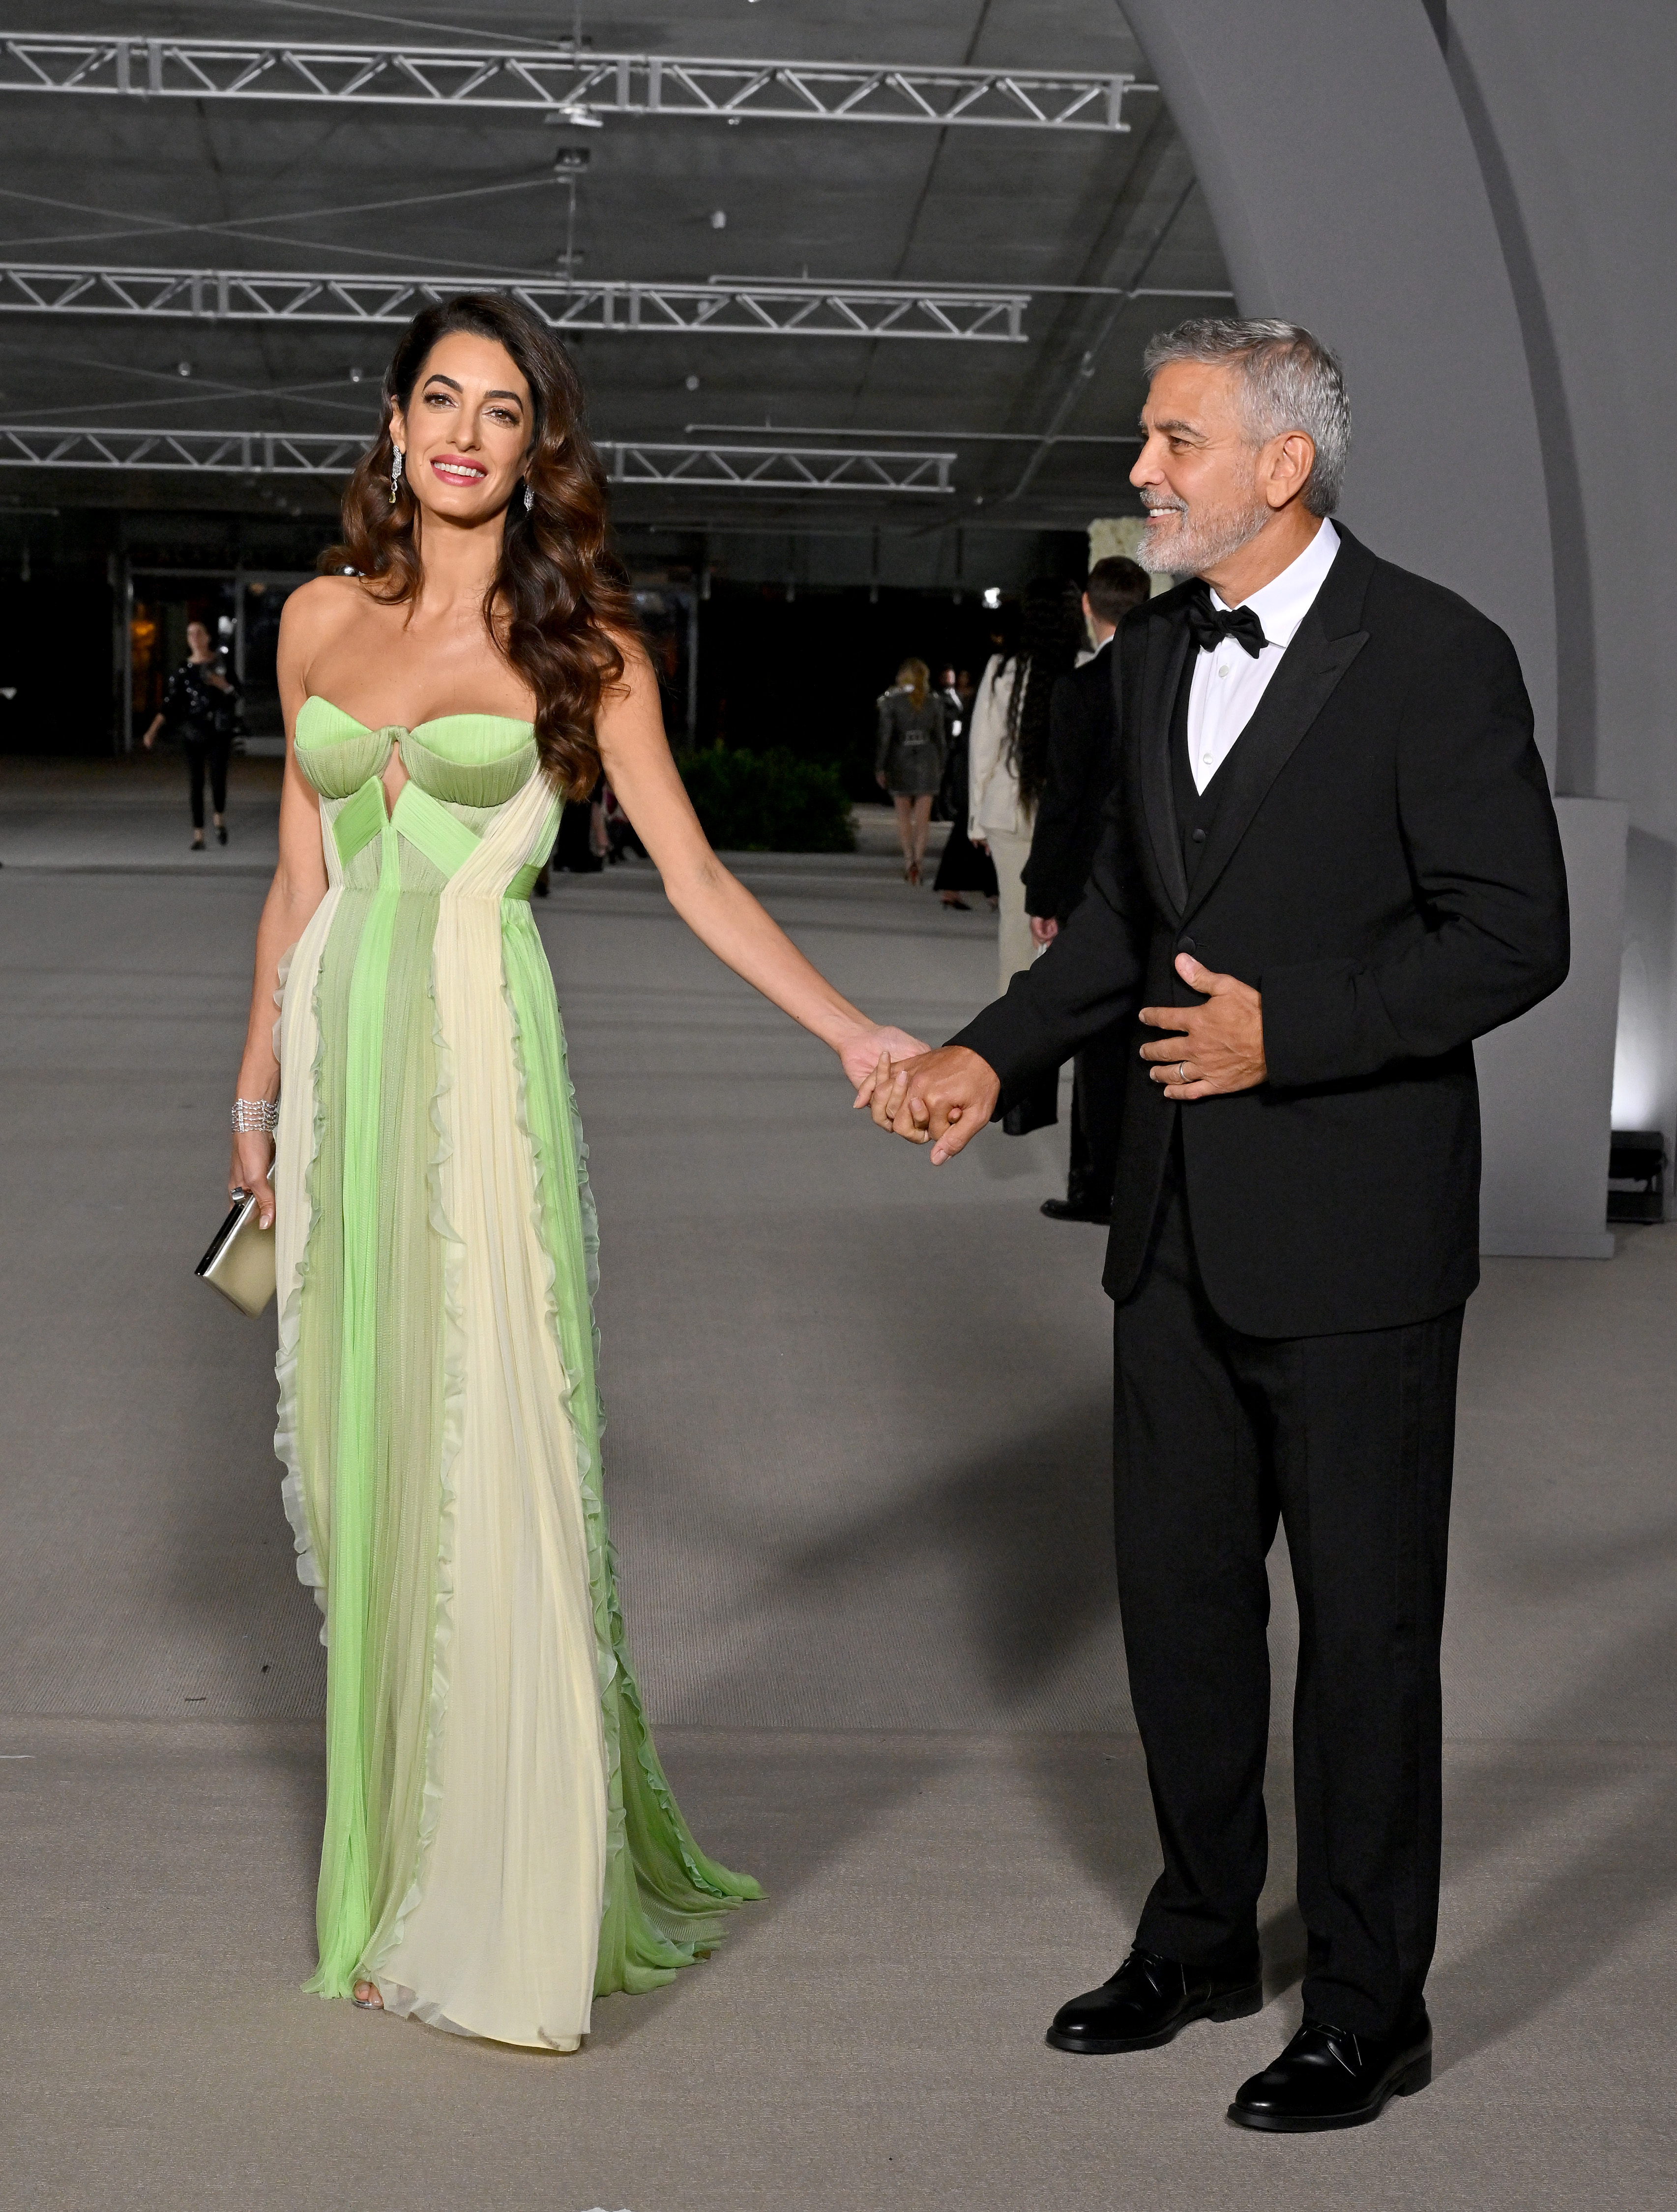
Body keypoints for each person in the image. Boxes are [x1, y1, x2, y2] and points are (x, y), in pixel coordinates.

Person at [861, 320, 1568, 2130]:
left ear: (1282, 466)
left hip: (1358, 1243)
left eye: (1176, 441)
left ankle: (1365, 2001)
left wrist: (1294, 1031)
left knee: (1362, 1634)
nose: (1144, 472)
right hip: (1170, 1228)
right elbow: (1112, 921)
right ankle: (1194, 1938)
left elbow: (1514, 933)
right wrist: (986, 1055)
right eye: (1145, 442)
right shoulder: (1155, 648)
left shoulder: (1437, 655)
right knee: (1179, 1609)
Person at [226, 293, 926, 2049]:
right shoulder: (314, 617)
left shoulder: (589, 645)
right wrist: (255, 1099)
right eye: (441, 398)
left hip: (474, 1064)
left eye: (506, 409)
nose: (467, 431)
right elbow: (298, 883)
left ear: (541, 450)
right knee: (370, 1456)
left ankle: (507, 1903)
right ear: (394, 423)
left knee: (490, 1451)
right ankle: (389, 1887)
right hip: (341, 1070)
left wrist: (859, 1035)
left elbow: (694, 880)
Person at [1025, 557, 1151, 1223]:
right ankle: (1145, 1185)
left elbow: (1065, 802)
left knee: (1098, 1043)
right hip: (1163, 886)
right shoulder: (1168, 680)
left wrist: (1041, 894)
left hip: (1090, 887)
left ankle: (1094, 1187)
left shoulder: (1079, 690)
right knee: (1150, 1038)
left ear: (1087, 610)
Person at [968, 580, 1084, 998]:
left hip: (1008, 811)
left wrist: (975, 820)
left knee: (1016, 931)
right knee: (1072, 935)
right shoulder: (1088, 665)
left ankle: (1012, 1046)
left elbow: (983, 749)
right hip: (1073, 820)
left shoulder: (1004, 669)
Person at [141, 619, 242, 849]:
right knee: (196, 783)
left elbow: (237, 694)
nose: (194, 638)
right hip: (194, 730)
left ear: (207, 637)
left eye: (198, 633)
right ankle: (199, 836)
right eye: (190, 634)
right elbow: (170, 703)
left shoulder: (221, 664)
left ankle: (219, 816)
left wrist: (223, 685)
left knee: (218, 779)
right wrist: (152, 731)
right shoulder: (183, 671)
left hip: (218, 730)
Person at [933, 663, 998, 912]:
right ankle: (992, 893)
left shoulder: (972, 708)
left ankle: (958, 891)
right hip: (977, 774)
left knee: (967, 833)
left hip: (966, 770)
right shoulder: (986, 706)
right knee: (980, 833)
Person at [875, 657, 946, 885]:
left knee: (904, 817)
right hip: (928, 758)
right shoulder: (934, 701)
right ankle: (920, 861)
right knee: (923, 819)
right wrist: (942, 764)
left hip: (900, 759)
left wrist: (880, 766)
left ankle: (909, 861)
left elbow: (885, 737)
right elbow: (941, 739)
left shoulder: (891, 702)